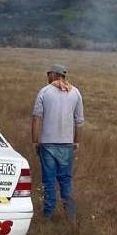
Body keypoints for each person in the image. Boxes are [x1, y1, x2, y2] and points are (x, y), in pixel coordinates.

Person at [31, 63, 84, 222]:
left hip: (47, 144)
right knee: (65, 180)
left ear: (54, 74)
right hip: (67, 144)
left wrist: (35, 141)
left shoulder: (44, 92)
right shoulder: (75, 92)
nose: (47, 76)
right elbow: (79, 121)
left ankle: (47, 216)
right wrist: (77, 141)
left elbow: (36, 118)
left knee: (49, 181)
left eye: (48, 73)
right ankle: (71, 216)